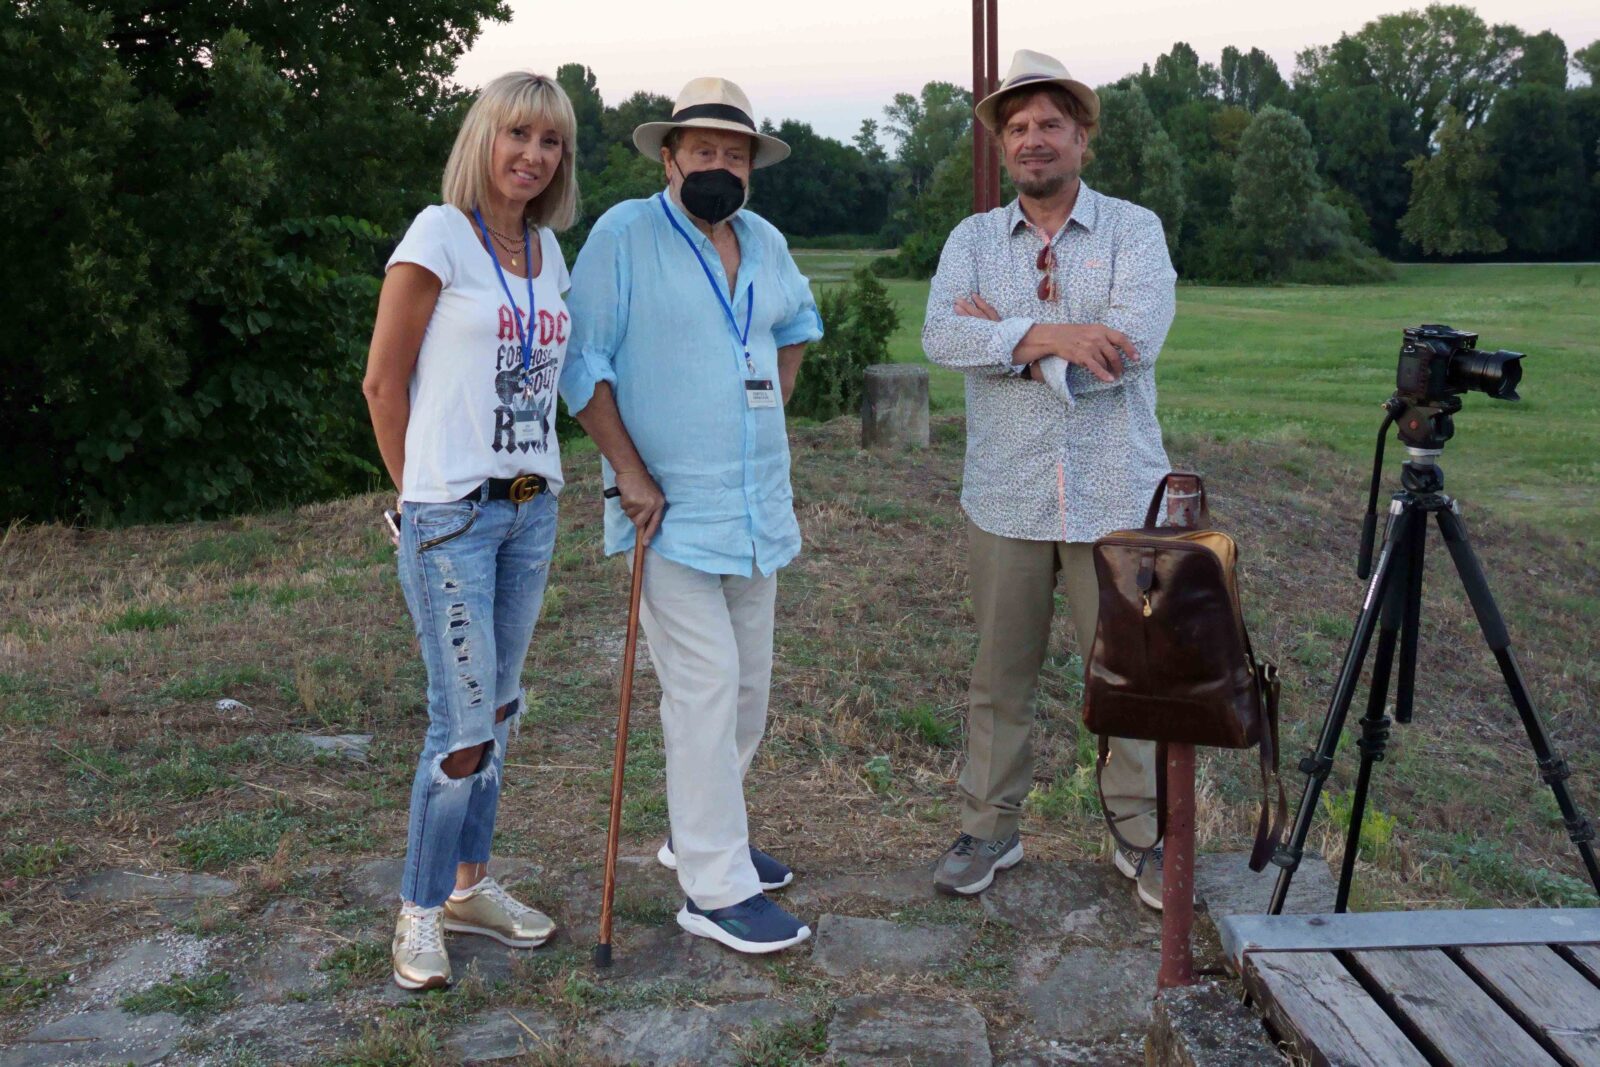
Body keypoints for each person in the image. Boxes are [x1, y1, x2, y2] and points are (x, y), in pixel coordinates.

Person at [560, 77, 822, 954]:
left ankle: (701, 830)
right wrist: (628, 471)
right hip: (664, 511)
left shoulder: (765, 239)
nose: (721, 164)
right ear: (669, 157)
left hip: (755, 506)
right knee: (704, 686)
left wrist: (764, 413)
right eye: (703, 149)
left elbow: (797, 326)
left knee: (746, 691)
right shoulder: (623, 236)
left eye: (735, 153)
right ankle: (713, 889)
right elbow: (582, 365)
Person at [921, 50, 1177, 909]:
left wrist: (1010, 339)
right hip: (1006, 496)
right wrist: (1063, 336)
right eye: (1018, 127)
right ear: (1002, 145)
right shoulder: (971, 241)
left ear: (1082, 138)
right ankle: (990, 826)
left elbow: (1130, 348)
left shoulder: (1134, 232)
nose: (1033, 139)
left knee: (1132, 677)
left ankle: (1142, 833)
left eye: (1050, 125)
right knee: (999, 676)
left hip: (1118, 497)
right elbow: (942, 336)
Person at [362, 71, 576, 989]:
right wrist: (419, 499)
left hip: (531, 506)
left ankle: (470, 887)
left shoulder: (548, 250)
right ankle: (417, 912)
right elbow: (383, 382)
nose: (533, 154)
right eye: (518, 133)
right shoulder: (439, 235)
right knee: (459, 725)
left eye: (552, 141)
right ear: (483, 138)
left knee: (499, 710)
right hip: (453, 513)